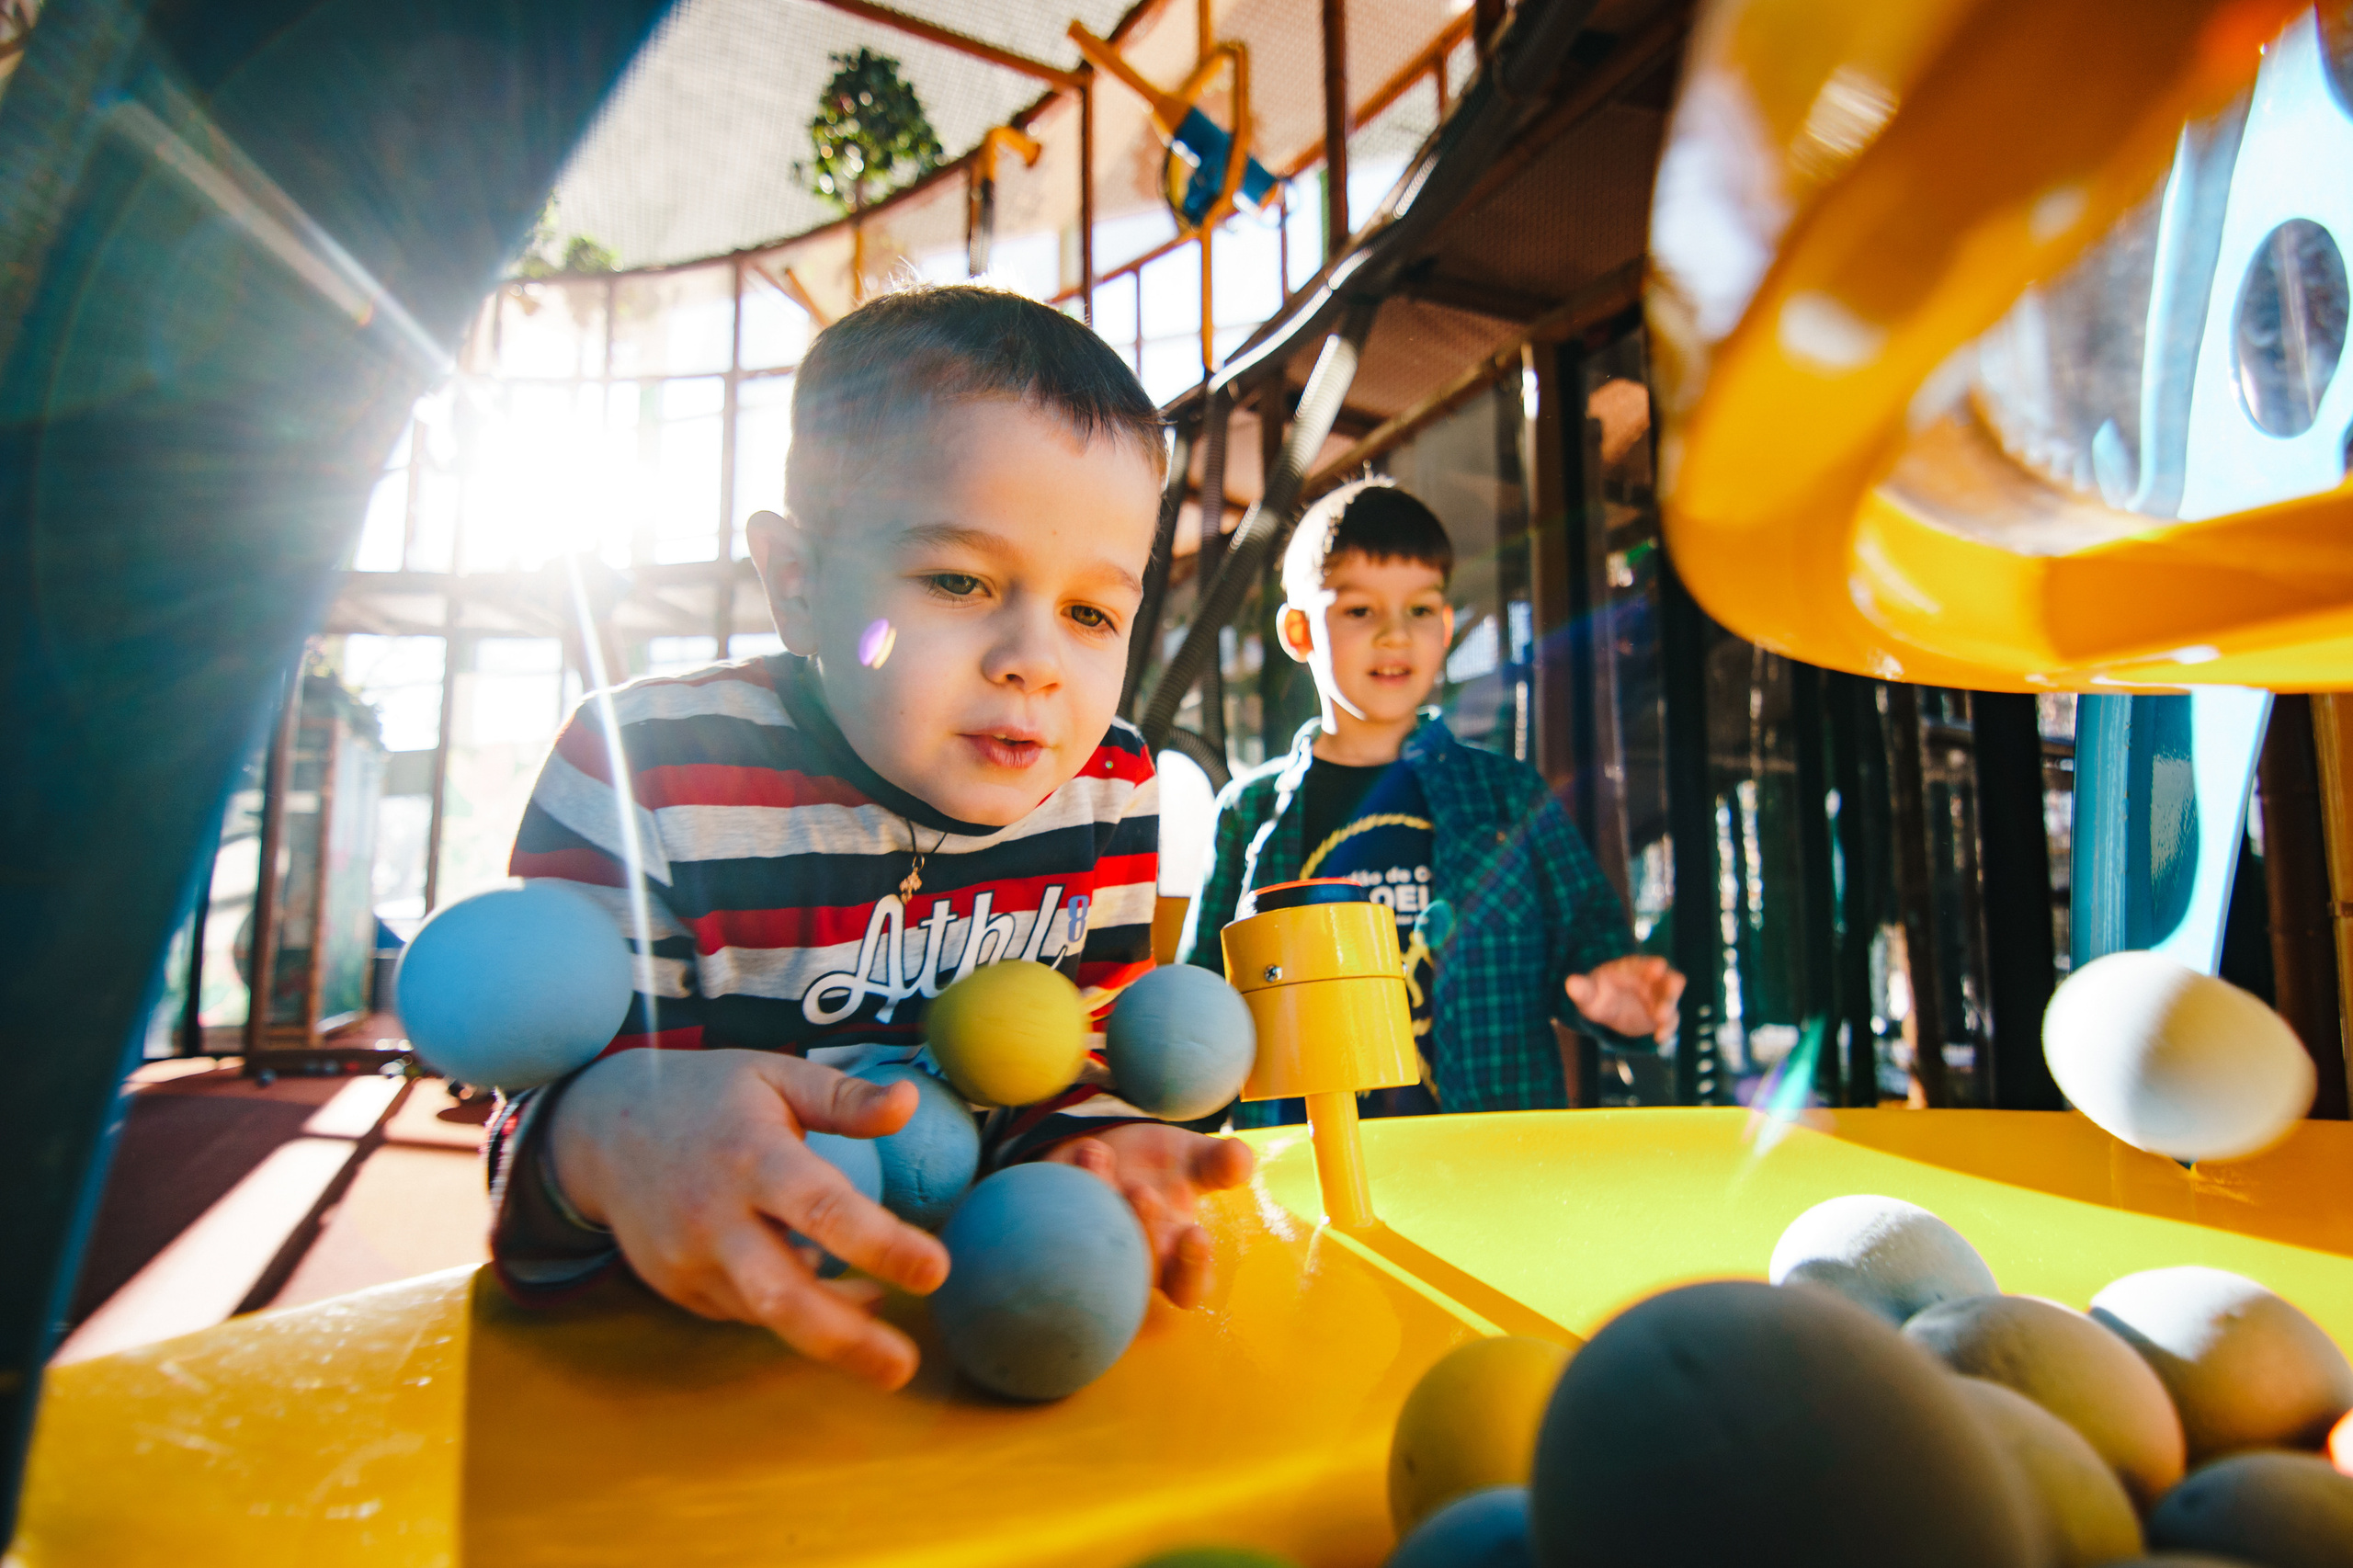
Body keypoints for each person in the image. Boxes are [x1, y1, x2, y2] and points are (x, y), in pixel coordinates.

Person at [485, 285, 1253, 1391]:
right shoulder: (645, 770)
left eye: (1092, 612)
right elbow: (539, 1131)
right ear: (798, 584)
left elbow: (1071, 1060)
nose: (1034, 660)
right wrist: (606, 1135)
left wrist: (1092, 1141)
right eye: (957, 580)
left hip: (946, 1358)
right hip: (681, 1372)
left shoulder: (1107, 785)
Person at [1176, 479, 1682, 1125]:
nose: (1395, 635)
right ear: (1300, 631)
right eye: (1360, 611)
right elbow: (1200, 1017)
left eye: (1419, 610)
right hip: (1307, 1179)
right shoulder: (1247, 813)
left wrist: (1617, 999)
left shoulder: (1510, 798)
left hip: (1490, 1176)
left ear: (1445, 626)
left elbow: (1590, 946)